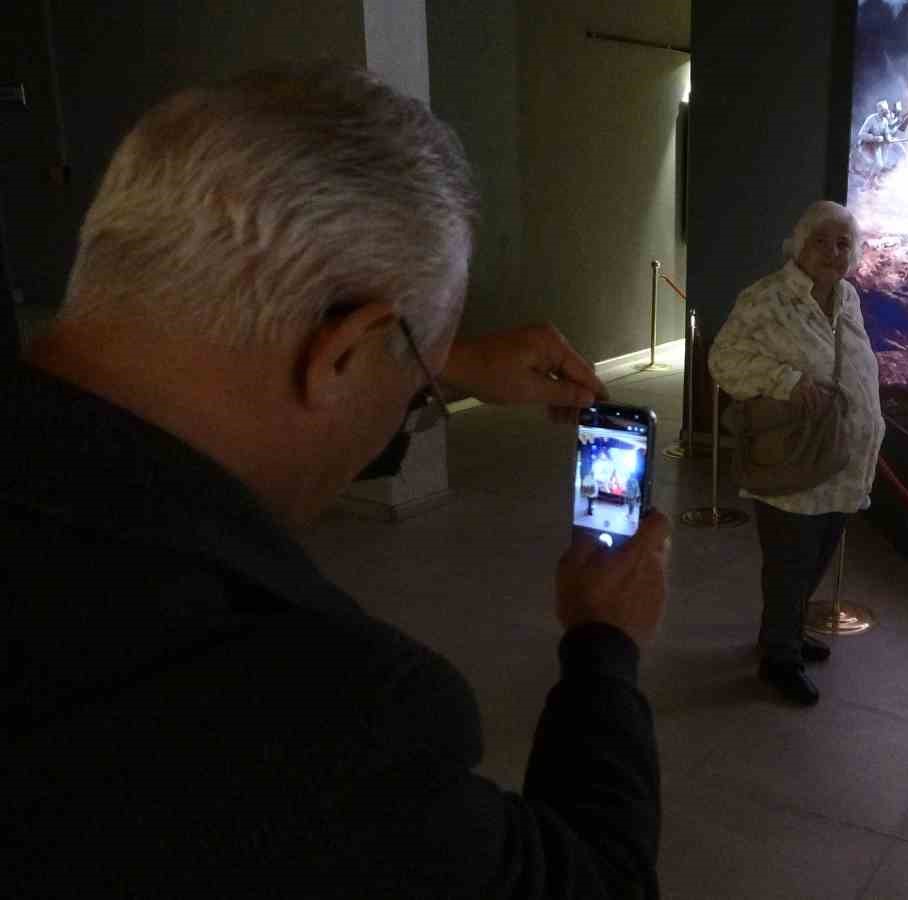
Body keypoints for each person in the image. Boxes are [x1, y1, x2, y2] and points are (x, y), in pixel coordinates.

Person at [2, 64, 671, 897]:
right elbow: (593, 883)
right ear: (347, 352)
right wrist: (604, 645)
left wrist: (440, 358)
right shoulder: (318, 719)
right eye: (413, 364)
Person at [708, 201, 886, 706]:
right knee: (789, 562)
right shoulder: (766, 298)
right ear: (798, 245)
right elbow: (724, 359)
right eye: (821, 241)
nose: (833, 252)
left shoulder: (847, 296)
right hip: (795, 458)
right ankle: (778, 658)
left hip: (841, 460)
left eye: (843, 243)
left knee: (816, 556)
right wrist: (786, 382)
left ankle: (782, 633)